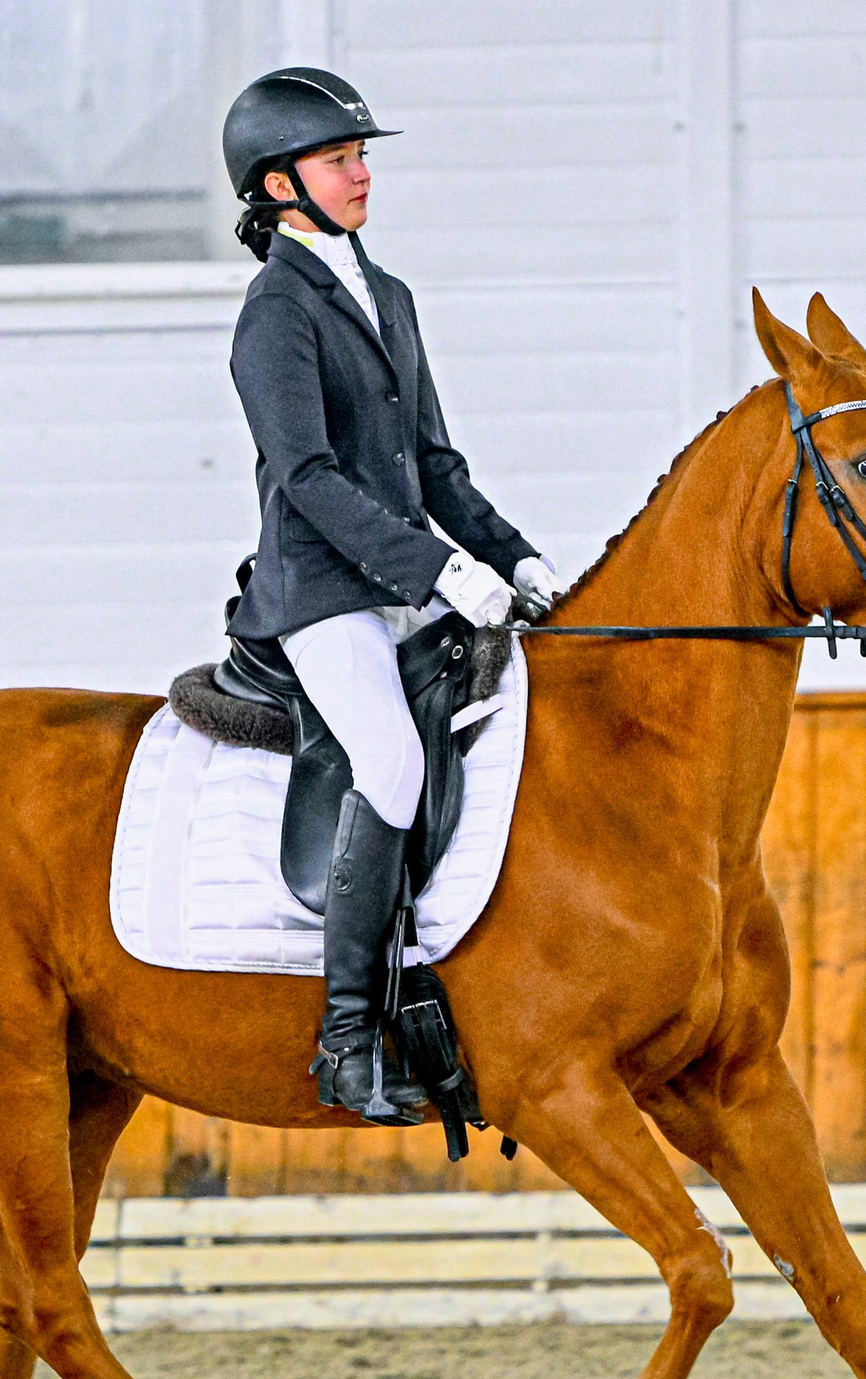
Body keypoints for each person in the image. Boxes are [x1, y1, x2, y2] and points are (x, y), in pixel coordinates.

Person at [220, 68, 576, 1118]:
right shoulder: (275, 310)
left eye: (362, 156)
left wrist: (516, 559)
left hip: (402, 585)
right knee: (391, 759)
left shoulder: (391, 296)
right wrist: (437, 569)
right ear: (280, 184)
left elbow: (434, 465)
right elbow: (307, 476)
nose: (362, 173)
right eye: (340, 159)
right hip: (322, 591)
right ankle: (345, 1039)